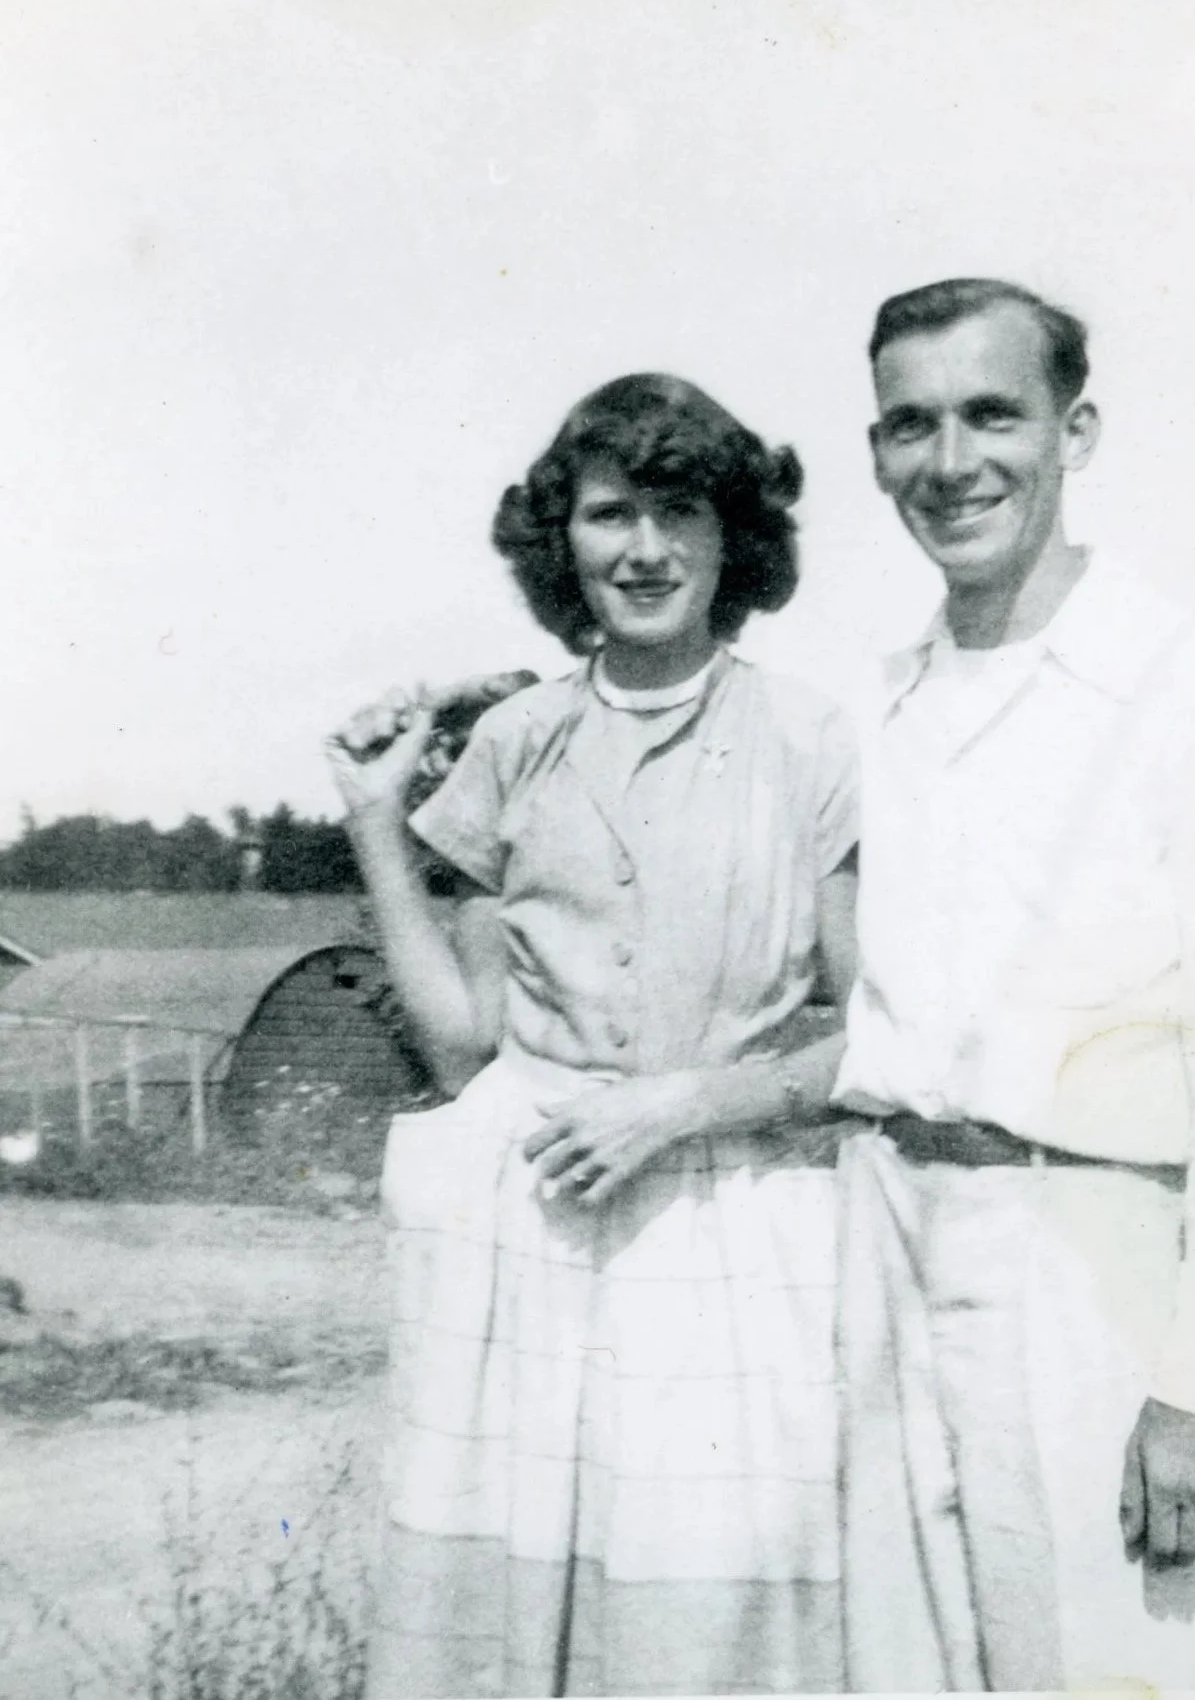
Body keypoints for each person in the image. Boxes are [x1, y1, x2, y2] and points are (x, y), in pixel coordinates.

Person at [830, 278, 1195, 1690]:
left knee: (1116, 1673)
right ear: (874, 452)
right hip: (879, 1244)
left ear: (1077, 430)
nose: (950, 463)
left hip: (1086, 1259)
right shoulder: (874, 703)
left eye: (993, 414)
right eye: (907, 426)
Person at [325, 374, 861, 1698]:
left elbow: (877, 1042)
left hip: (731, 1227)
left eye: (678, 511)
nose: (644, 550)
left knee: (706, 1622)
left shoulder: (809, 741)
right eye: (611, 515)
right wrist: (375, 822)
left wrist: (682, 1105)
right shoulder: (512, 742)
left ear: (733, 534)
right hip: (539, 1222)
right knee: (512, 1626)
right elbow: (463, 1047)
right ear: (560, 543)